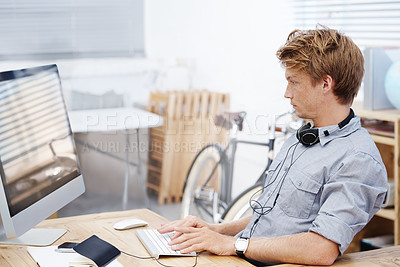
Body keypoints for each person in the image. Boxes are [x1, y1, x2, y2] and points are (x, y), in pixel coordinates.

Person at [158, 26, 388, 266]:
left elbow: (322, 249)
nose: (287, 93)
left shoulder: (358, 159)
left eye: (294, 82)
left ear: (325, 84)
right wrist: (216, 231)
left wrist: (231, 245)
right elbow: (272, 220)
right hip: (244, 257)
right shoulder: (302, 138)